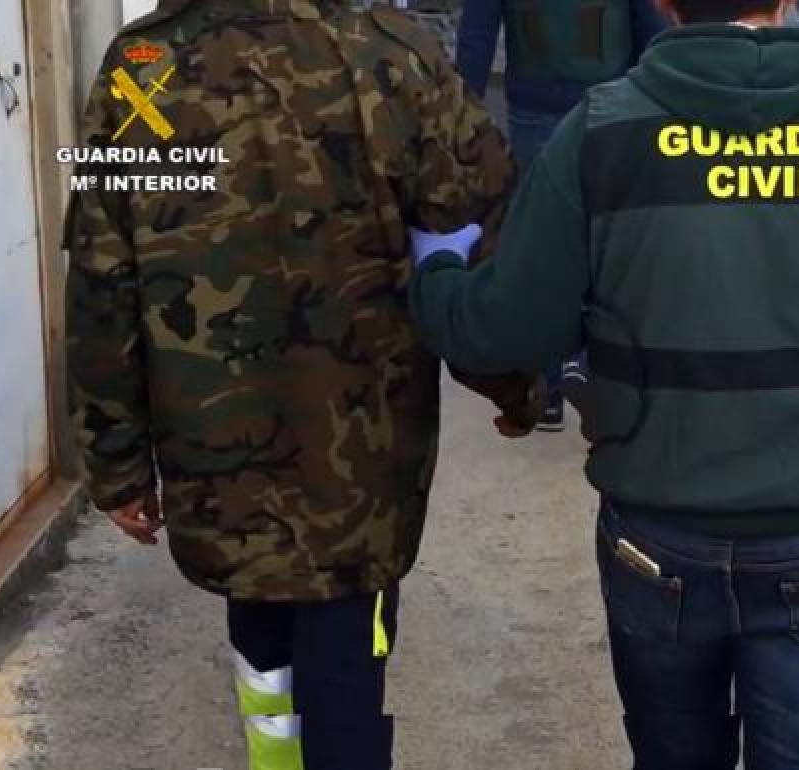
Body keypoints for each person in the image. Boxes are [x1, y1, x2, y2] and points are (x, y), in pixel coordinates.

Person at [409, 0, 799, 767]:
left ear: (663, 3)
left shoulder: (602, 133)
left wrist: (438, 271)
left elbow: (504, 328)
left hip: (658, 539)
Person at [64, 2, 537, 769]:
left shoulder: (141, 68)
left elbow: (101, 271)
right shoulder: (396, 55)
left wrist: (112, 456)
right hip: (362, 454)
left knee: (260, 631)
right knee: (346, 659)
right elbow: (479, 244)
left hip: (213, 448)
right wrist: (516, 385)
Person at [456, 0, 667, 432]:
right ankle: (605, 380)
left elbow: (477, 33)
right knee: (610, 249)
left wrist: (463, 115)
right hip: (613, 105)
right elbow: (652, 27)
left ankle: (548, 388)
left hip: (542, 106)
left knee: (543, 250)